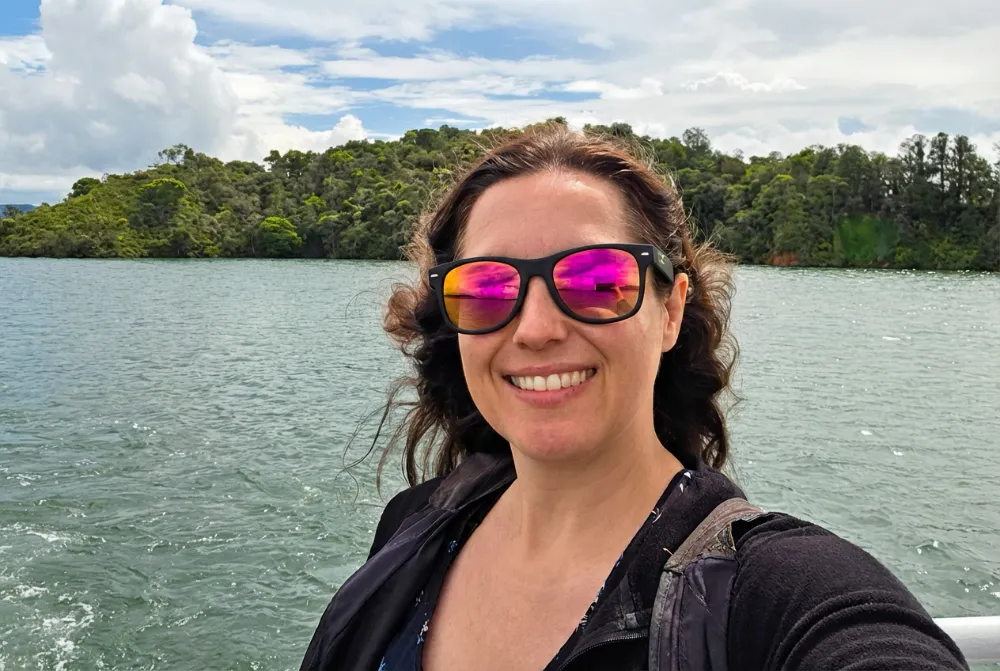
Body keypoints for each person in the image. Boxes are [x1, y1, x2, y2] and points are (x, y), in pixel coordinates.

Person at [300, 126, 968, 671]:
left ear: (671, 310)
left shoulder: (770, 594)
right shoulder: (416, 524)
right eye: (488, 288)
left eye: (596, 280)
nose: (535, 328)